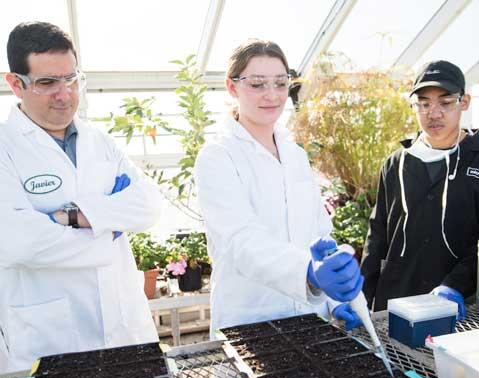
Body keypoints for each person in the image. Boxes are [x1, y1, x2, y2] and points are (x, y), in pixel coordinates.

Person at [0, 22, 162, 373]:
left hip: (125, 328)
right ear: (16, 84)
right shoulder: (4, 148)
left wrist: (69, 218)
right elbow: (19, 242)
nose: (65, 93)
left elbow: (148, 204)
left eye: (72, 79)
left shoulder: (100, 141)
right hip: (51, 338)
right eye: (47, 83)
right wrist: (110, 228)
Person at [194, 39, 364, 334]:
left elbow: (319, 231)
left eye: (280, 83)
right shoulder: (218, 156)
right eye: (257, 84)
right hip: (251, 320)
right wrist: (306, 272)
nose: (272, 95)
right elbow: (240, 241)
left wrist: (336, 299)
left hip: (311, 315)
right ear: (232, 87)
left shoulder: (294, 154)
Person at [362, 60, 478, 319]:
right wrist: (361, 293)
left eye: (445, 102)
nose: (433, 113)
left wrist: (455, 284)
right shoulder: (397, 163)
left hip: (460, 309)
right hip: (395, 304)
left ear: (465, 102)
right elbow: (378, 233)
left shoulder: (475, 159)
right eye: (424, 103)